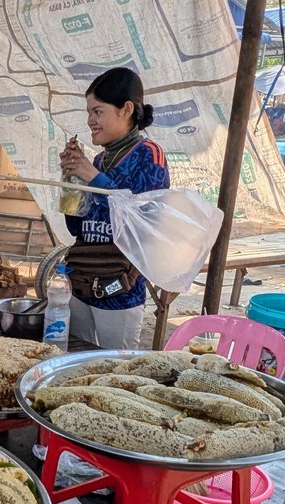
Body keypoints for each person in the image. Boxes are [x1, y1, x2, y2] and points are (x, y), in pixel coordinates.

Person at [60, 67, 169, 349]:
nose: (90, 121)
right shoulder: (97, 161)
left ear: (126, 109)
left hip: (120, 289)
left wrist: (92, 177)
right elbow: (77, 229)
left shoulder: (150, 155)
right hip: (83, 282)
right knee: (76, 360)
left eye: (98, 112)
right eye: (89, 113)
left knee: (116, 371)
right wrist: (71, 181)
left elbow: (143, 224)